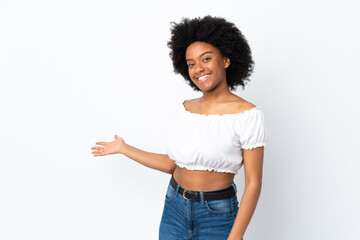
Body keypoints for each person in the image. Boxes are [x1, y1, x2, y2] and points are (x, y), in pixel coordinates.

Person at [91, 15, 267, 240]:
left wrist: (235, 237)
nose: (198, 69)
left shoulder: (248, 115)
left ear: (226, 59)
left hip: (217, 214)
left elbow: (254, 183)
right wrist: (124, 148)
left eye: (206, 59)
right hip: (174, 206)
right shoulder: (186, 109)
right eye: (191, 64)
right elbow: (171, 164)